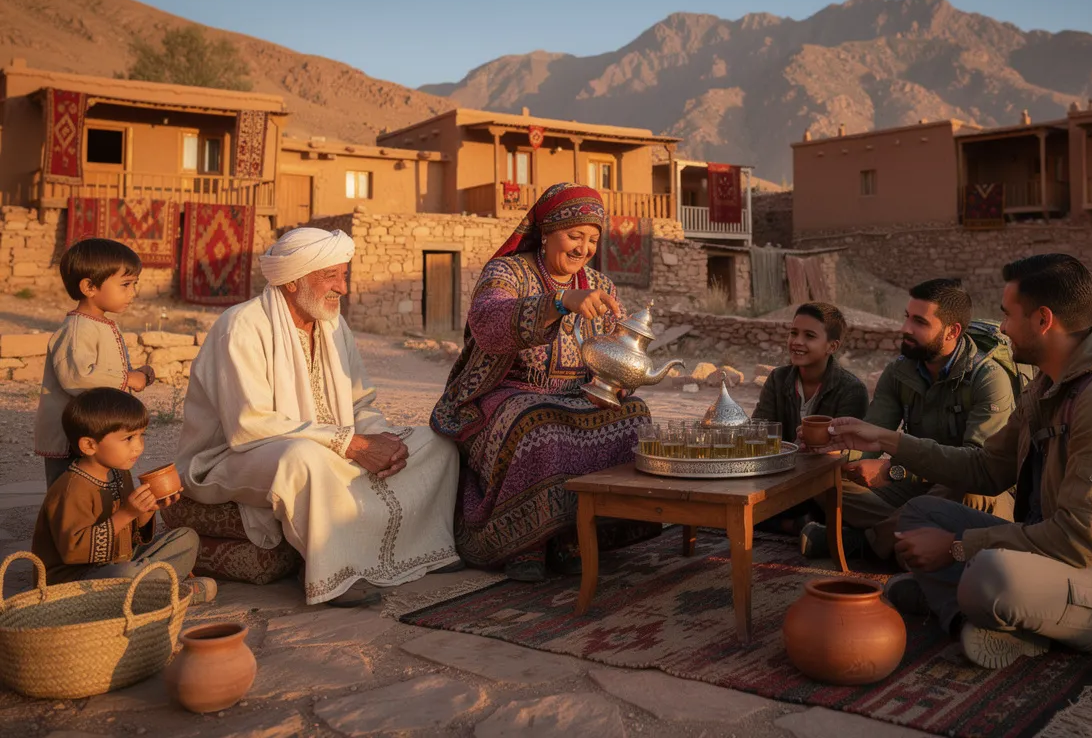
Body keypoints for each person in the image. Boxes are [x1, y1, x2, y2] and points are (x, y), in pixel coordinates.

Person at [819, 254, 1092, 670]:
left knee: (991, 574)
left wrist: (958, 547)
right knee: (920, 514)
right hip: (1057, 561)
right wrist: (888, 440)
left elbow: (1079, 541)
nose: (1001, 328)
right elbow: (985, 468)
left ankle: (970, 601)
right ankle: (972, 616)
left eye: (1008, 315)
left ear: (1043, 320)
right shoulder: (1050, 384)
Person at [177, 227, 462, 608]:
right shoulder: (242, 325)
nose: (342, 288)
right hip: (235, 457)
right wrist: (351, 445)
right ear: (293, 280)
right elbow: (250, 425)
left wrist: (384, 443)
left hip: (333, 446)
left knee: (436, 446)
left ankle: (423, 550)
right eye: (331, 276)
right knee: (305, 459)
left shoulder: (333, 324)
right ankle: (336, 572)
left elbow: (360, 404)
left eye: (343, 275)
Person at [430, 182, 662, 583]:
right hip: (507, 392)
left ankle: (580, 532)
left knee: (634, 415)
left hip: (579, 394)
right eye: (575, 236)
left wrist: (617, 383)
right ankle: (527, 541)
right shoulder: (506, 272)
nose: (583, 248)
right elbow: (487, 322)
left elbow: (617, 349)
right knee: (538, 424)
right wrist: (559, 302)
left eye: (592, 240)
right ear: (547, 232)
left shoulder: (601, 286)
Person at [801, 279, 1016, 559]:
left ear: (952, 331)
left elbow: (977, 469)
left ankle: (866, 543)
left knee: (968, 491)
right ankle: (907, 539)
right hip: (914, 487)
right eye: (907, 317)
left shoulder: (988, 379)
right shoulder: (899, 372)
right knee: (827, 479)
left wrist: (895, 470)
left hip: (967, 488)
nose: (905, 328)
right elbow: (871, 438)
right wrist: (834, 448)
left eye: (919, 322)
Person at [32, 388, 214, 603]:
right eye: (128, 438)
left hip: (117, 562)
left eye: (141, 435)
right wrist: (127, 513)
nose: (138, 446)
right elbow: (74, 551)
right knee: (126, 574)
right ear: (89, 445)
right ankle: (167, 595)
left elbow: (130, 536)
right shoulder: (70, 489)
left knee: (186, 539)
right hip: (74, 582)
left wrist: (147, 510)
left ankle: (151, 588)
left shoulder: (120, 473)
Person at [35, 238, 157, 487]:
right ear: (89, 287)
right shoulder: (77, 330)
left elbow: (102, 371)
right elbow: (78, 377)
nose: (132, 293)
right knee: (70, 488)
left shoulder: (99, 324)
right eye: (125, 284)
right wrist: (126, 378)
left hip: (95, 430)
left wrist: (135, 374)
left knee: (103, 483)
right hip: (73, 437)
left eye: (134, 284)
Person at [752, 302, 868, 534]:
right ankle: (795, 525)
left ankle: (798, 523)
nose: (797, 341)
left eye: (809, 336)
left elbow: (845, 452)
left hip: (822, 483)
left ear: (832, 346)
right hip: (780, 476)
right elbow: (759, 431)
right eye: (793, 333)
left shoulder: (852, 390)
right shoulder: (778, 379)